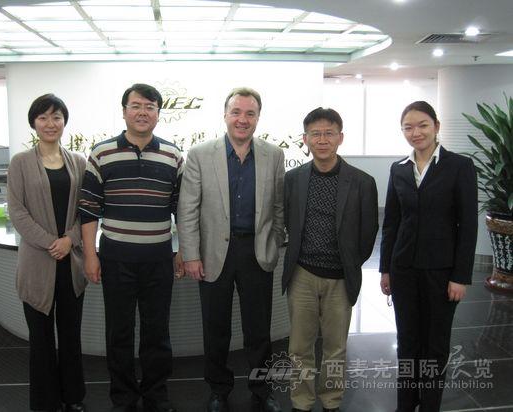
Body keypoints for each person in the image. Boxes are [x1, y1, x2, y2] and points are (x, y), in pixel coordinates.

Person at [177, 87, 285, 412]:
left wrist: (274, 242)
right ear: (225, 115)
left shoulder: (273, 155)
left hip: (256, 252)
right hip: (213, 254)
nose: (242, 119)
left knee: (258, 330)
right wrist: (191, 254)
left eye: (250, 113)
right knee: (216, 328)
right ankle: (218, 389)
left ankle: (261, 389)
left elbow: (279, 207)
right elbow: (188, 209)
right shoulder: (200, 154)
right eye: (236, 112)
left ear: (258, 118)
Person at [79, 84, 182, 412]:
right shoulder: (102, 153)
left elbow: (182, 210)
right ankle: (123, 397)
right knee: (119, 332)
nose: (142, 112)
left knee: (157, 332)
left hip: (158, 259)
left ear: (158, 113)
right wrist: (91, 255)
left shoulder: (173, 155)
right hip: (116, 258)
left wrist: (182, 250)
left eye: (150, 106)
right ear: (124, 111)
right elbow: (88, 210)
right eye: (136, 106)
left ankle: (156, 395)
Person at [379, 101, 478, 411]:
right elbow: (391, 222)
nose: (416, 132)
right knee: (407, 341)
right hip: (404, 268)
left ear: (436, 126)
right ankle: (406, 404)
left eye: (422, 125)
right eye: (408, 127)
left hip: (441, 270)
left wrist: (460, 276)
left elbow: (468, 224)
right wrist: (385, 269)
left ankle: (430, 405)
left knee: (435, 344)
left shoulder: (459, 166)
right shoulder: (399, 168)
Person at [282, 107, 378, 412]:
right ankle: (301, 401)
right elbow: (288, 221)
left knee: (335, 347)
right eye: (315, 134)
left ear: (340, 137)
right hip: (302, 274)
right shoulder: (293, 179)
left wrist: (349, 262)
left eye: (328, 133)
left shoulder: (362, 182)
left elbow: (368, 232)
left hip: (340, 277)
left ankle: (331, 400)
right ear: (305, 139)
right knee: (300, 346)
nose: (322, 140)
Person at [7, 93, 87, 412]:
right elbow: (17, 211)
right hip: (37, 263)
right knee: (40, 339)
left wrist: (70, 239)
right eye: (43, 117)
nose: (50, 123)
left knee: (70, 335)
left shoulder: (78, 162)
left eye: (56, 117)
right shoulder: (20, 162)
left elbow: (86, 209)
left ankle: (73, 397)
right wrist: (51, 242)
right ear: (34, 123)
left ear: (64, 121)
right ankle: (45, 402)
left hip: (71, 262)